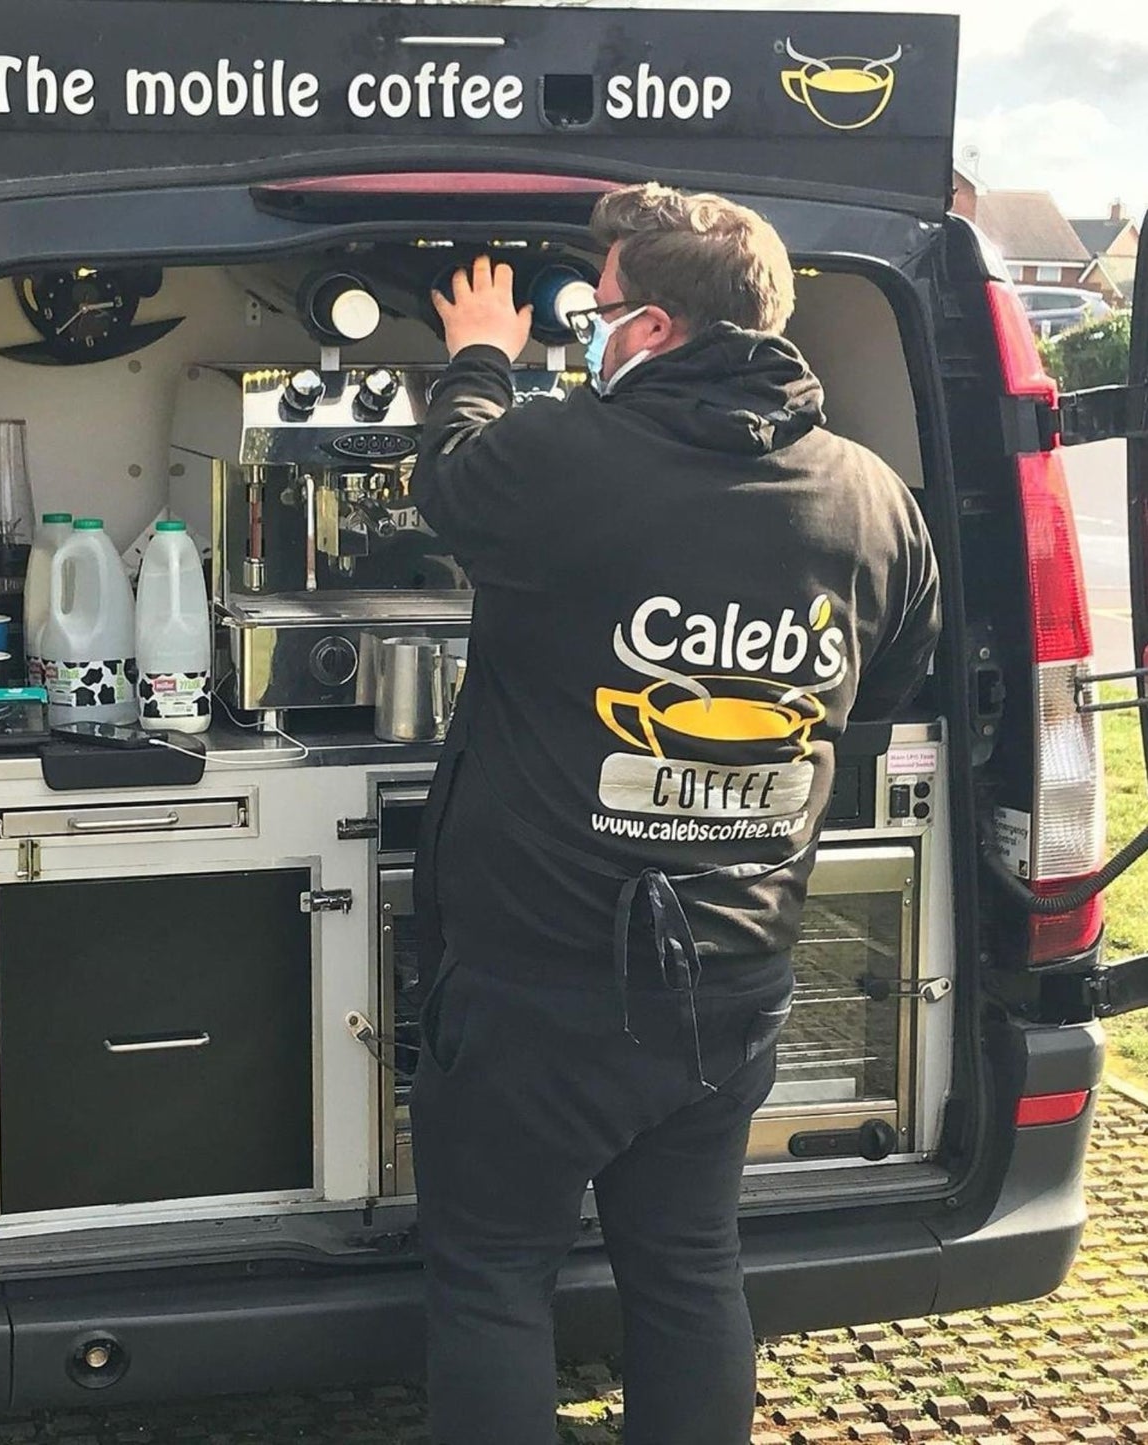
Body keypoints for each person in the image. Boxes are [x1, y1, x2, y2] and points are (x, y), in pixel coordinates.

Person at [407, 184, 941, 1445]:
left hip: (537, 977)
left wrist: (481, 354)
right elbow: (885, 689)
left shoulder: (565, 450)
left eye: (593, 312)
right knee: (691, 1265)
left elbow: (449, 485)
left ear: (647, 327)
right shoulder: (869, 497)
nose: (584, 333)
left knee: (491, 1276)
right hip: (735, 970)